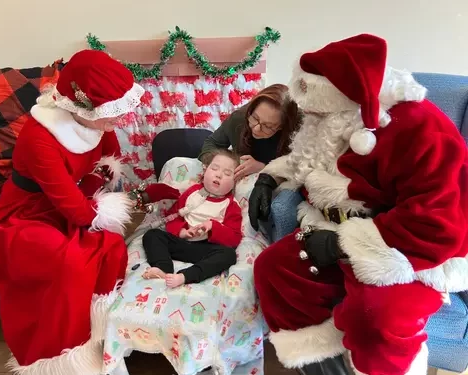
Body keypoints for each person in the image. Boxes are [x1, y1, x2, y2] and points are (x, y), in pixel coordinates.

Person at [248, 34, 468, 375]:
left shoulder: (419, 128)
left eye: (309, 97)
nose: (303, 108)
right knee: (272, 270)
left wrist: (339, 245)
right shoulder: (331, 115)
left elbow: (435, 224)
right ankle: (323, 364)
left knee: (376, 316)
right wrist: (269, 177)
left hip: (408, 252)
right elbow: (309, 157)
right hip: (334, 227)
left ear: (344, 95)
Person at [0, 50, 146, 375]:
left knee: (112, 247)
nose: (120, 119)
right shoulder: (39, 137)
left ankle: (100, 331)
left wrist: (89, 185)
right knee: (69, 261)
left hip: (74, 201)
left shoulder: (99, 123)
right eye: (113, 112)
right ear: (80, 107)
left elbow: (108, 159)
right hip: (26, 214)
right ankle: (61, 356)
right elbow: (76, 210)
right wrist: (89, 196)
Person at [142, 150, 242, 288]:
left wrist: (212, 226)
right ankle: (163, 269)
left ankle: (185, 276)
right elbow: (173, 216)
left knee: (228, 255)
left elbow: (235, 238)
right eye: (214, 169)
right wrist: (182, 231)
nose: (218, 175)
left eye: (227, 174)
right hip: (181, 242)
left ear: (234, 182)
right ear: (205, 171)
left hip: (204, 249)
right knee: (152, 235)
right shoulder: (192, 192)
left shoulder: (231, 205)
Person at [198, 84, 302, 182]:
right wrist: (225, 164)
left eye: (268, 126)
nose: (256, 129)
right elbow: (211, 143)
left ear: (282, 126)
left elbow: (303, 168)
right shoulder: (238, 118)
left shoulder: (301, 128)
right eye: (255, 118)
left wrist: (265, 168)